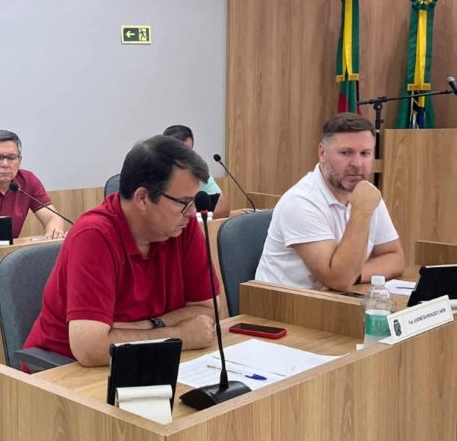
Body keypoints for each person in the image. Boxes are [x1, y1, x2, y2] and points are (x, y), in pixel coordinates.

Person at [25, 135, 218, 366]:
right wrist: (182, 335)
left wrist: (149, 326)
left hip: (144, 362)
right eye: (184, 202)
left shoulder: (182, 227)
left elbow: (208, 311)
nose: (192, 212)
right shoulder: (94, 235)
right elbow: (91, 349)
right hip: (65, 371)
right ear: (143, 198)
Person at [255, 112, 405, 291]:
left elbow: (395, 258)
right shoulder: (300, 202)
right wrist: (361, 211)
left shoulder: (366, 194)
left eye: (365, 153)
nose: (357, 163)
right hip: (284, 304)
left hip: (332, 300)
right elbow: (339, 279)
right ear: (322, 153)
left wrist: (356, 276)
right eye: (346, 153)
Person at [162, 124, 230, 218]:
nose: (183, 157)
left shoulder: (196, 170)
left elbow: (223, 208)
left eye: (188, 151)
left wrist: (194, 219)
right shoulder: (154, 171)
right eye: (178, 151)